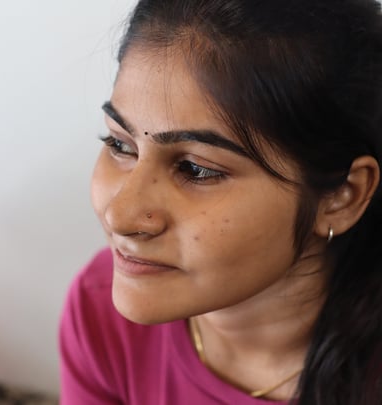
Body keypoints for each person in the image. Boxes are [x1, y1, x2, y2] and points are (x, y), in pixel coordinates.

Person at [59, 0, 382, 403]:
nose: (120, 216)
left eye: (196, 169)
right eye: (120, 144)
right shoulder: (100, 311)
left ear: (341, 197)